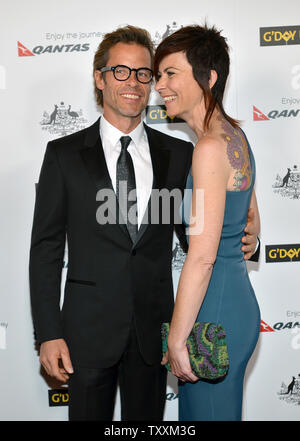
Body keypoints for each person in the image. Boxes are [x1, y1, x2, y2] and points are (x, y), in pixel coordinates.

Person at [29, 25, 259, 422]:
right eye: (120, 71)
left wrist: (249, 232)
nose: (133, 82)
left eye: (143, 73)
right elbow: (46, 250)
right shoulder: (63, 155)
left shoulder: (182, 152)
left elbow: (211, 223)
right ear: (100, 79)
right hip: (86, 334)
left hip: (156, 334)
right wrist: (48, 333)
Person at [154, 24, 261, 421]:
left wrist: (177, 341)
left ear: (208, 78)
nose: (159, 85)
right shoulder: (234, 136)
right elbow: (250, 219)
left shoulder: (210, 148)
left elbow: (201, 258)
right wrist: (245, 238)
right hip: (233, 305)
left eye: (170, 73)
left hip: (213, 316)